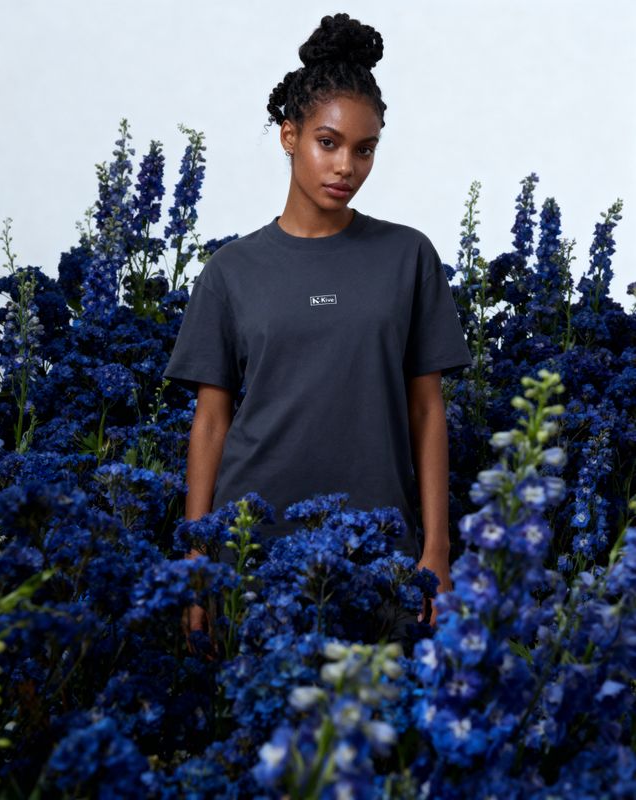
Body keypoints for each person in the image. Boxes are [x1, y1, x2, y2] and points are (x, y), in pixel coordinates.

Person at [163, 12, 472, 655]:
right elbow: (212, 423)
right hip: (254, 546)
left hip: (380, 551)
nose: (347, 166)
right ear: (288, 135)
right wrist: (198, 559)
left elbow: (426, 410)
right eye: (327, 143)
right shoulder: (231, 270)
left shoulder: (408, 257)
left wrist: (435, 549)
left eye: (365, 149)